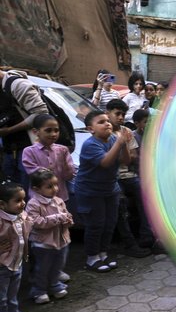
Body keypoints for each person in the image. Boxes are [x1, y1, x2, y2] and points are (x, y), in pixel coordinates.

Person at [74, 110, 132, 273]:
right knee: (95, 224)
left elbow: (125, 161)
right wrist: (119, 143)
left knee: (109, 223)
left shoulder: (113, 139)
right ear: (90, 129)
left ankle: (103, 253)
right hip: (90, 191)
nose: (107, 123)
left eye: (107, 121)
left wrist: (125, 143)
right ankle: (91, 258)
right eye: (101, 122)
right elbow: (106, 162)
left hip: (109, 189)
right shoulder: (90, 144)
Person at [105, 100, 152, 258]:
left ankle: (148, 238)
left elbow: (131, 157)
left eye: (123, 114)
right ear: (108, 113)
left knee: (148, 195)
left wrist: (120, 150)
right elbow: (108, 160)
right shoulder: (105, 131)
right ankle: (130, 243)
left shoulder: (126, 131)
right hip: (112, 177)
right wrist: (121, 147)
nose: (120, 117)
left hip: (129, 175)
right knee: (120, 203)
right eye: (117, 114)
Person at [25, 169, 72, 304]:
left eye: (56, 185)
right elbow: (36, 222)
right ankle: (39, 290)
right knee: (43, 268)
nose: (55, 189)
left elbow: (66, 215)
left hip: (61, 240)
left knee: (58, 265)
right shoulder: (33, 204)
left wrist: (68, 220)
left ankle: (55, 284)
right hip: (43, 244)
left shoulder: (58, 200)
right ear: (36, 189)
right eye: (49, 186)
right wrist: (58, 218)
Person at [0, 70, 49, 189]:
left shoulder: (18, 85)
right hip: (9, 151)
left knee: (29, 194)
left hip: (28, 150)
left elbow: (41, 115)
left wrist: (10, 130)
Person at [0, 182, 31, 312]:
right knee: (1, 297)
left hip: (16, 262)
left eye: (23, 199)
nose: (23, 203)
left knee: (12, 294)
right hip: (2, 265)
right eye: (18, 200)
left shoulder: (22, 215)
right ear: (2, 204)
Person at [22, 114, 76, 203]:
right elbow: (33, 173)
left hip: (60, 196)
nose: (53, 134)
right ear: (35, 132)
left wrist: (65, 165)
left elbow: (68, 176)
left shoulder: (63, 150)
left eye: (56, 130)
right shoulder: (29, 151)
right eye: (48, 130)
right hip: (39, 198)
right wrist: (48, 170)